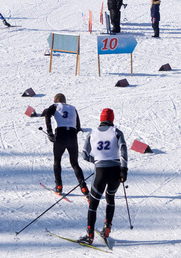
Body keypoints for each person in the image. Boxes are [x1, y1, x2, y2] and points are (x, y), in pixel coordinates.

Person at [77, 108, 128, 245]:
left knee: (93, 204)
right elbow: (123, 149)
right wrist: (124, 169)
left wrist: (97, 160)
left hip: (100, 172)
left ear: (101, 119)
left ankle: (90, 235)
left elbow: (84, 155)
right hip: (116, 172)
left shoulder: (92, 133)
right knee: (110, 197)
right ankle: (107, 227)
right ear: (112, 119)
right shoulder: (117, 132)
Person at [44, 93, 89, 200]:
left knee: (57, 161)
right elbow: (78, 126)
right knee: (74, 163)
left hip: (60, 135)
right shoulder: (73, 108)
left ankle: (59, 185)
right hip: (72, 136)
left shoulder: (54, 106)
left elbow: (47, 115)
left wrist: (50, 132)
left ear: (56, 100)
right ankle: (84, 187)